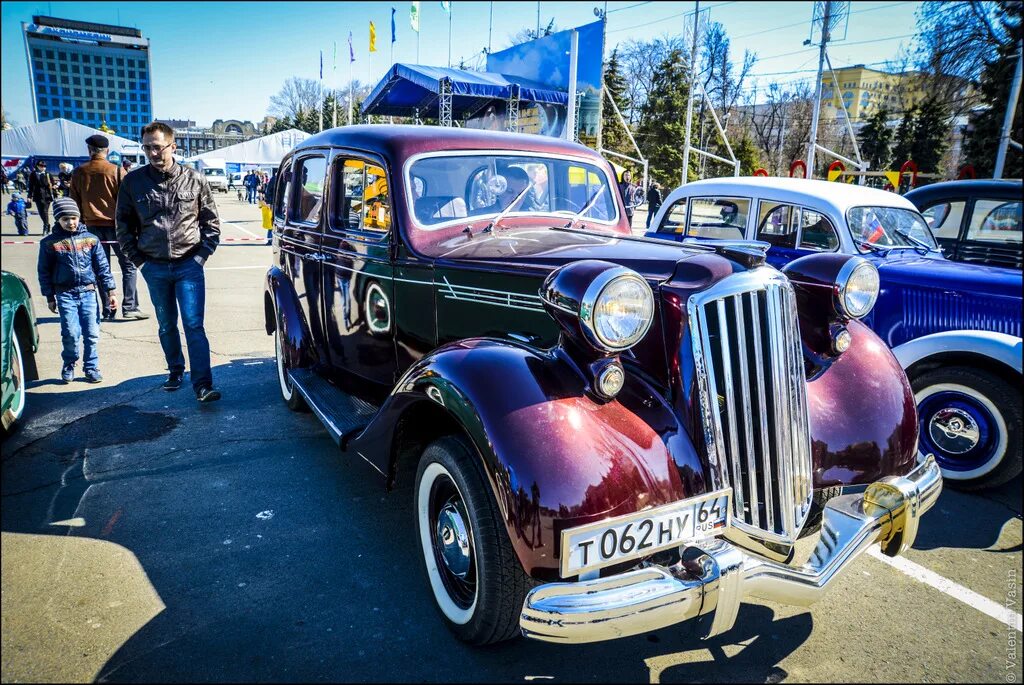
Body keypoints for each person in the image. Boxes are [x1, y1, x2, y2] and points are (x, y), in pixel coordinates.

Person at [116, 121, 223, 403]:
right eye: (147, 147)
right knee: (166, 324)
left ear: (173, 146)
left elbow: (211, 223)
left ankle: (202, 385)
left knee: (193, 325)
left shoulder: (195, 179)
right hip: (154, 266)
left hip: (190, 265)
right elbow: (123, 227)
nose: (152, 152)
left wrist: (201, 256)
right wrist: (140, 263)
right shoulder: (133, 182)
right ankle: (176, 370)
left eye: (157, 146)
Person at [37, 197, 117, 384]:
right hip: (65, 294)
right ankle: (69, 362)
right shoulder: (49, 243)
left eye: (74, 218)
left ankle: (91, 367)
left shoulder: (91, 239)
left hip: (88, 292)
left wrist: (110, 292)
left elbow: (102, 268)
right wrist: (50, 296)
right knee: (71, 333)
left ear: (79, 217)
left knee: (91, 333)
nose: (71, 222)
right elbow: (44, 272)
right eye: (65, 219)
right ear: (58, 220)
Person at [70, 134, 149, 321]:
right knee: (128, 267)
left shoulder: (79, 173)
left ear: (89, 150)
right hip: (117, 227)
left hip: (90, 227)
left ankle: (107, 309)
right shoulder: (117, 171)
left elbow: (74, 202)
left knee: (100, 269)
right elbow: (129, 202)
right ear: (106, 151)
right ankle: (130, 307)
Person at [27, 160, 56, 235]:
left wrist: (54, 186)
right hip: (37, 196)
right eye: (41, 166)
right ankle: (47, 225)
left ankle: (45, 227)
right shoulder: (33, 174)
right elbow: (30, 186)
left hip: (47, 196)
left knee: (45, 211)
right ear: (37, 166)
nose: (43, 168)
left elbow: (53, 183)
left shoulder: (48, 174)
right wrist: (29, 196)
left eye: (44, 166)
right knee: (41, 212)